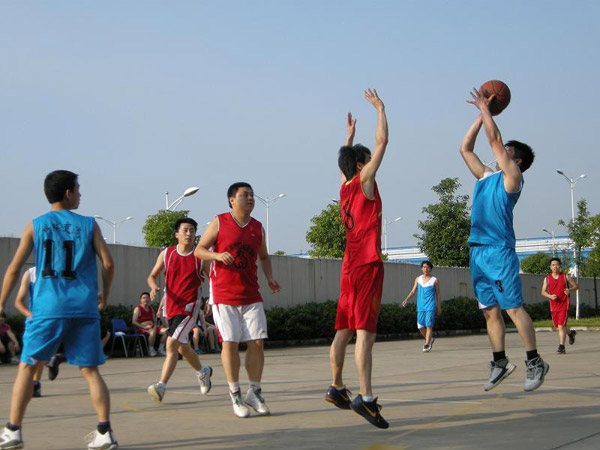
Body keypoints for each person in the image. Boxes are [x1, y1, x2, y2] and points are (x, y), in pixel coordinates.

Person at [0, 170, 118, 449]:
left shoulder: (36, 225)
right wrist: (105, 295)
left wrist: (1, 305)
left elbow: (14, 269)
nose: (80, 194)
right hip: (83, 308)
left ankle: (13, 431)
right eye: (78, 189)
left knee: (28, 368)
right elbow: (109, 264)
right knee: (90, 372)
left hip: (47, 308)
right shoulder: (89, 225)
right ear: (68, 193)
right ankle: (104, 432)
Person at [461, 88, 549, 392]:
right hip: (478, 252)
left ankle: (535, 361)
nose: (499, 152)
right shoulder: (486, 177)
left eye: (507, 151)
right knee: (489, 310)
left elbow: (494, 140)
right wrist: (479, 115)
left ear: (517, 160)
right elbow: (465, 149)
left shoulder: (513, 178)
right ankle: (499, 362)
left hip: (498, 251)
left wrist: (488, 110)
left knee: (512, 308)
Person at [325, 89, 389, 429]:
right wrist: (381, 110)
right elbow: (383, 142)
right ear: (362, 166)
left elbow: (343, 165)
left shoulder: (344, 187)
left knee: (344, 329)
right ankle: (365, 398)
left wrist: (347, 138)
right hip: (366, 265)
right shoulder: (363, 181)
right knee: (365, 333)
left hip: (349, 267)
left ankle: (336, 387)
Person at [195, 182, 281, 418]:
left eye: (252, 194)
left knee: (257, 342)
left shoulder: (258, 227)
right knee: (230, 343)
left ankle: (254, 391)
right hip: (224, 295)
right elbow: (199, 250)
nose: (250, 198)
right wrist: (216, 255)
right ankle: (235, 394)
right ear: (232, 200)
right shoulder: (220, 221)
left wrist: (270, 278)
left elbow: (264, 257)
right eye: (245, 195)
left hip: (251, 294)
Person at [146, 218, 213, 403]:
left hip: (190, 307)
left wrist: (211, 299)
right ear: (177, 233)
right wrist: (153, 287)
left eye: (192, 230)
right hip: (172, 308)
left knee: (171, 344)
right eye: (185, 230)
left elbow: (213, 279)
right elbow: (152, 276)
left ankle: (161, 385)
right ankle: (203, 371)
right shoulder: (167, 254)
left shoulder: (200, 256)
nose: (189, 234)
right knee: (183, 347)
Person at [401, 261, 441, 352]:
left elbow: (438, 294)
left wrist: (439, 307)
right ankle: (430, 339)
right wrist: (406, 299)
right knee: (420, 326)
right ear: (421, 268)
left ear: (430, 268)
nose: (425, 269)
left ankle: (427, 344)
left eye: (427, 267)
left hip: (430, 306)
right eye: (423, 267)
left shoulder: (435, 280)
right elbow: (413, 291)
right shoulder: (418, 279)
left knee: (429, 325)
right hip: (420, 307)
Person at [541, 257, 578, 354]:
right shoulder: (547, 278)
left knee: (561, 326)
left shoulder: (565, 276)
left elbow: (576, 286)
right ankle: (571, 334)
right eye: (553, 265)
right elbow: (543, 292)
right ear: (550, 267)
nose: (555, 266)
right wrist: (550, 296)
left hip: (564, 304)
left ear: (560, 266)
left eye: (557, 265)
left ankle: (561, 347)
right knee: (558, 327)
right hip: (553, 305)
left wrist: (569, 290)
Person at [132, 292, 166, 356]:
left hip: (153, 327)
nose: (145, 299)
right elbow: (134, 321)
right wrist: (143, 326)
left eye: (147, 298)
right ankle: (151, 350)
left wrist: (155, 326)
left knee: (168, 331)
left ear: (149, 299)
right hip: (142, 328)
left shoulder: (151, 309)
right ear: (141, 300)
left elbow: (155, 321)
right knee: (152, 332)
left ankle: (160, 349)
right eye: (143, 298)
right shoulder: (138, 309)